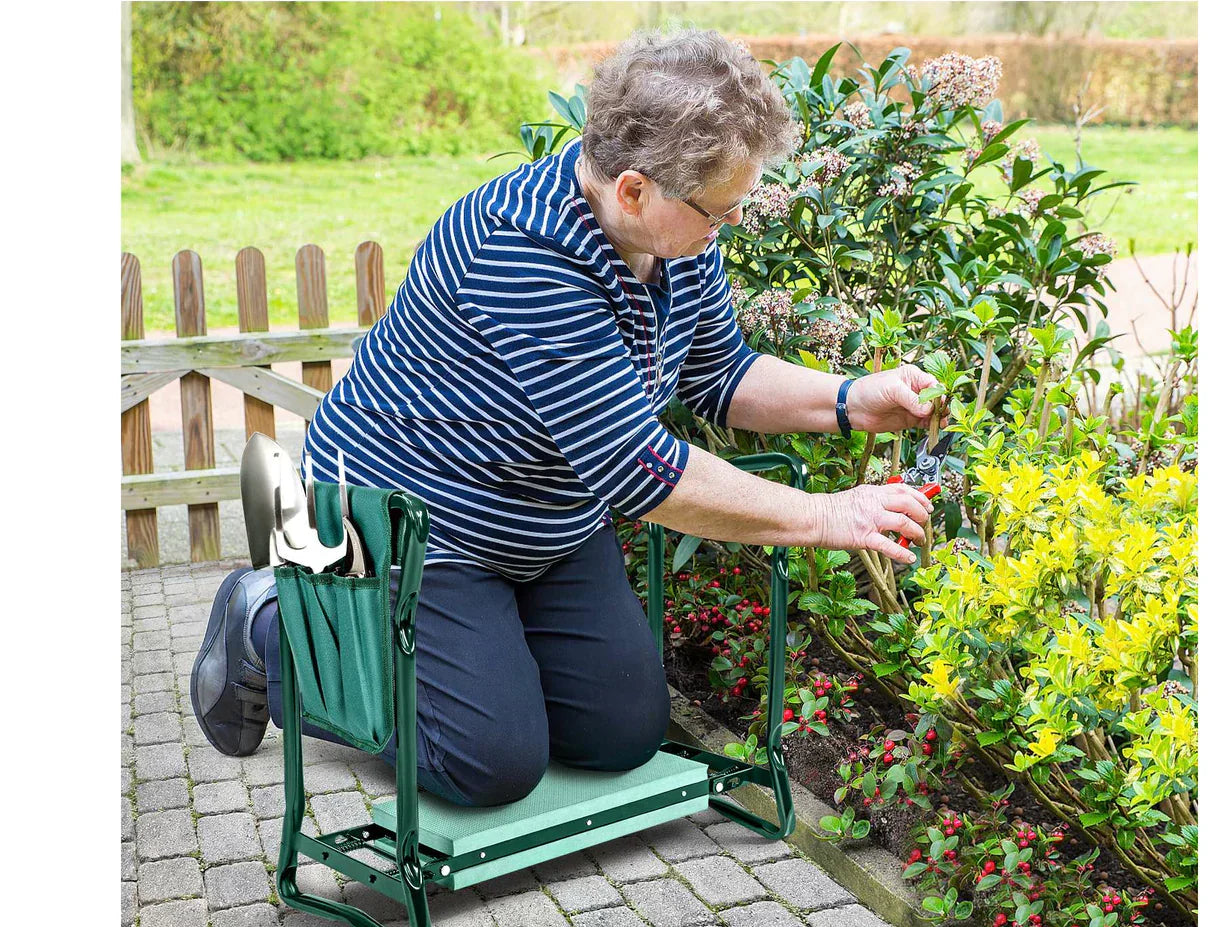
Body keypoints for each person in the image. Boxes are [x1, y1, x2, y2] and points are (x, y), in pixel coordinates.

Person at [191, 28, 938, 807]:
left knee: (619, 736)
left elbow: (723, 374)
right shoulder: (518, 251)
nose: (731, 224)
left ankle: (474, 652)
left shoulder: (675, 239)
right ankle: (272, 621)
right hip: (415, 519)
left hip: (543, 515)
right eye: (721, 209)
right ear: (634, 189)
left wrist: (852, 399)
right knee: (489, 765)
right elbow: (643, 473)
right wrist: (825, 515)